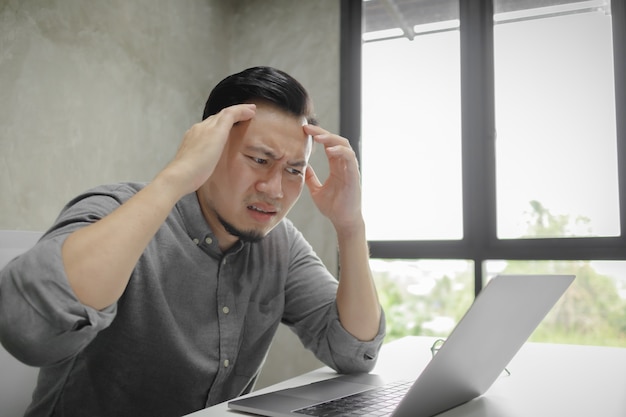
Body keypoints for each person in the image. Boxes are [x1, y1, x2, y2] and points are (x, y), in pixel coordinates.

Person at [0, 66, 385, 417]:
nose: (274, 189)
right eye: (260, 159)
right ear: (209, 147)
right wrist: (177, 176)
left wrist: (350, 225)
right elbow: (27, 332)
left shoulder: (280, 245)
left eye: (293, 170)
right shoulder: (117, 208)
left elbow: (353, 351)